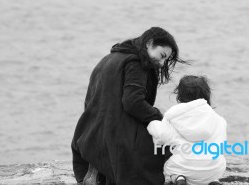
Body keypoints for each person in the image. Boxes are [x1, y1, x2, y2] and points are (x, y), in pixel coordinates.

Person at [71, 27, 186, 185]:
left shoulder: (109, 58)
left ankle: (98, 170)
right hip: (116, 139)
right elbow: (133, 102)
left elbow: (90, 101)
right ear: (149, 43)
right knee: (171, 145)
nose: (161, 63)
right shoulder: (137, 63)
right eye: (162, 56)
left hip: (89, 135)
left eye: (165, 60)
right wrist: (160, 116)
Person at [147, 76, 226, 185]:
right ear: (206, 94)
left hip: (184, 165)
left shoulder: (174, 115)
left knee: (172, 167)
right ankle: (213, 181)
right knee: (212, 166)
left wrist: (152, 123)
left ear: (179, 95)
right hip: (213, 167)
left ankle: (179, 178)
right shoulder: (217, 119)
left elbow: (162, 136)